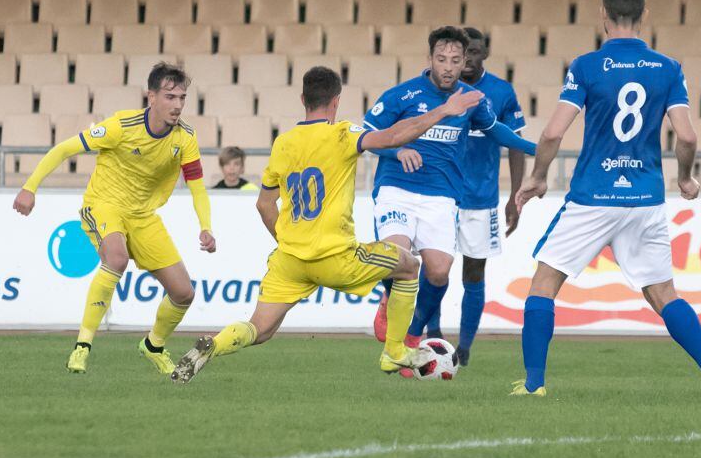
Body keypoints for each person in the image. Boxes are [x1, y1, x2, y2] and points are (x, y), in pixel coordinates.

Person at [511, 0, 701, 397]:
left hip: (593, 196)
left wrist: (537, 176)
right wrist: (685, 177)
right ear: (644, 15)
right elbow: (687, 136)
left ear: (602, 15)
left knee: (544, 284)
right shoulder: (668, 68)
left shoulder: (586, 67)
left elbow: (552, 133)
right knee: (663, 294)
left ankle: (534, 384)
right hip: (644, 198)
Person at [169, 67, 486, 383]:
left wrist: (291, 243)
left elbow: (264, 205)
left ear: (302, 99)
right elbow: (392, 137)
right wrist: (444, 110)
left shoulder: (283, 143)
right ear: (336, 101)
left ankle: (214, 344)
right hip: (336, 257)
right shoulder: (343, 134)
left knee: (259, 329)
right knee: (409, 266)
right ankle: (395, 351)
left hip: (290, 261)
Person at [13, 62, 216, 375]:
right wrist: (30, 187)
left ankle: (153, 345)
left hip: (143, 216)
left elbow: (197, 186)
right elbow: (64, 149)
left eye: (182, 98)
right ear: (151, 97)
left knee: (183, 293)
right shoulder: (121, 126)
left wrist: (206, 227)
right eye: (170, 97)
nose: (177, 105)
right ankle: (82, 346)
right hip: (104, 205)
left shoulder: (185, 137)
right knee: (116, 258)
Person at [366, 26, 536, 354]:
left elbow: (497, 131)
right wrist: (397, 151)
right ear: (429, 58)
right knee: (396, 258)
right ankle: (389, 299)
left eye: (455, 60)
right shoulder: (402, 95)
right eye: (441, 59)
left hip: (442, 196)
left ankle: (413, 333)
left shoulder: (471, 100)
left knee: (439, 272)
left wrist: (538, 149)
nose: (448, 67)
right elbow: (366, 135)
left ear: (463, 61)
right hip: (397, 188)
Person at [419, 27, 527, 366]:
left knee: (474, 273)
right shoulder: (436, 89)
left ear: (483, 54)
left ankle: (464, 348)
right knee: (434, 269)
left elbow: (514, 144)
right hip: (441, 194)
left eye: (475, 53)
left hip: (481, 198)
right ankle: (433, 335)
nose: (467, 60)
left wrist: (516, 194)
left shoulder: (501, 92)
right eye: (465, 54)